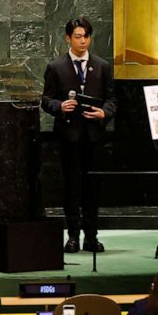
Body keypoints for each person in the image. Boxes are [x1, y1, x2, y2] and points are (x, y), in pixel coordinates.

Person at [41, 16, 117, 254]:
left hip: (94, 136)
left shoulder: (102, 66)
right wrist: (59, 107)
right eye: (78, 36)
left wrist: (104, 113)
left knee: (92, 188)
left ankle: (92, 236)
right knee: (71, 187)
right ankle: (72, 235)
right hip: (69, 136)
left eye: (86, 36)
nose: (83, 41)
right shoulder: (56, 67)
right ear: (68, 38)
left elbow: (113, 99)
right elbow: (46, 99)